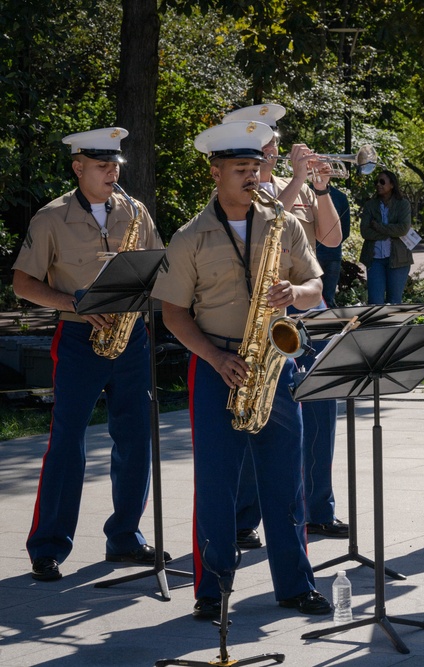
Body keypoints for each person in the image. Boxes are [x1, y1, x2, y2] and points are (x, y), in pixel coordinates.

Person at [152, 120, 331, 619]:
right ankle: (211, 592)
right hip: (217, 363)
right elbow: (173, 313)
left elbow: (315, 288)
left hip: (274, 362)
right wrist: (215, 357)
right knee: (216, 483)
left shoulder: (283, 223)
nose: (253, 177)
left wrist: (294, 295)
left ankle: (295, 585)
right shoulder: (190, 236)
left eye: (256, 167)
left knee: (285, 482)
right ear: (215, 172)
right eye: (241, 169)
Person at [12, 127, 166, 582]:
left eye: (115, 164)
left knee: (137, 439)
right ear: (78, 167)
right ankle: (48, 547)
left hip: (131, 338)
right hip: (80, 339)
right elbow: (23, 284)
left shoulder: (135, 210)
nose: (112, 171)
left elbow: (160, 267)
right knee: (66, 443)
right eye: (102, 165)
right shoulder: (50, 217)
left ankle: (126, 538)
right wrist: (73, 302)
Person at [220, 104, 348, 550]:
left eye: (274, 139)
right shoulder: (244, 190)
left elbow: (332, 241)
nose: (275, 147)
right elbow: (271, 221)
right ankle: (243, 517)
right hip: (265, 317)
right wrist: (295, 180)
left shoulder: (296, 187)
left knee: (319, 413)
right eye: (267, 141)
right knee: (263, 417)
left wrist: (322, 188)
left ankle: (318, 509)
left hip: (306, 308)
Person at [359, 169, 412, 304]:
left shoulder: (403, 204)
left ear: (392, 185)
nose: (378, 184)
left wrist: (378, 227)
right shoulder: (370, 205)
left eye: (382, 182)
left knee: (394, 301)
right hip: (374, 258)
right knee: (375, 302)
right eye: (376, 182)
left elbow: (403, 229)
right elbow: (365, 232)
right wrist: (389, 232)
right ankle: (377, 326)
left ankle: (394, 326)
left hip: (398, 259)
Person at [315, 185, 352, 306]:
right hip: (316, 255)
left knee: (325, 298)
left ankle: (327, 325)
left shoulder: (340, 197)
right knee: (317, 297)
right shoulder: (305, 192)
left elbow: (344, 231)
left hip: (331, 256)